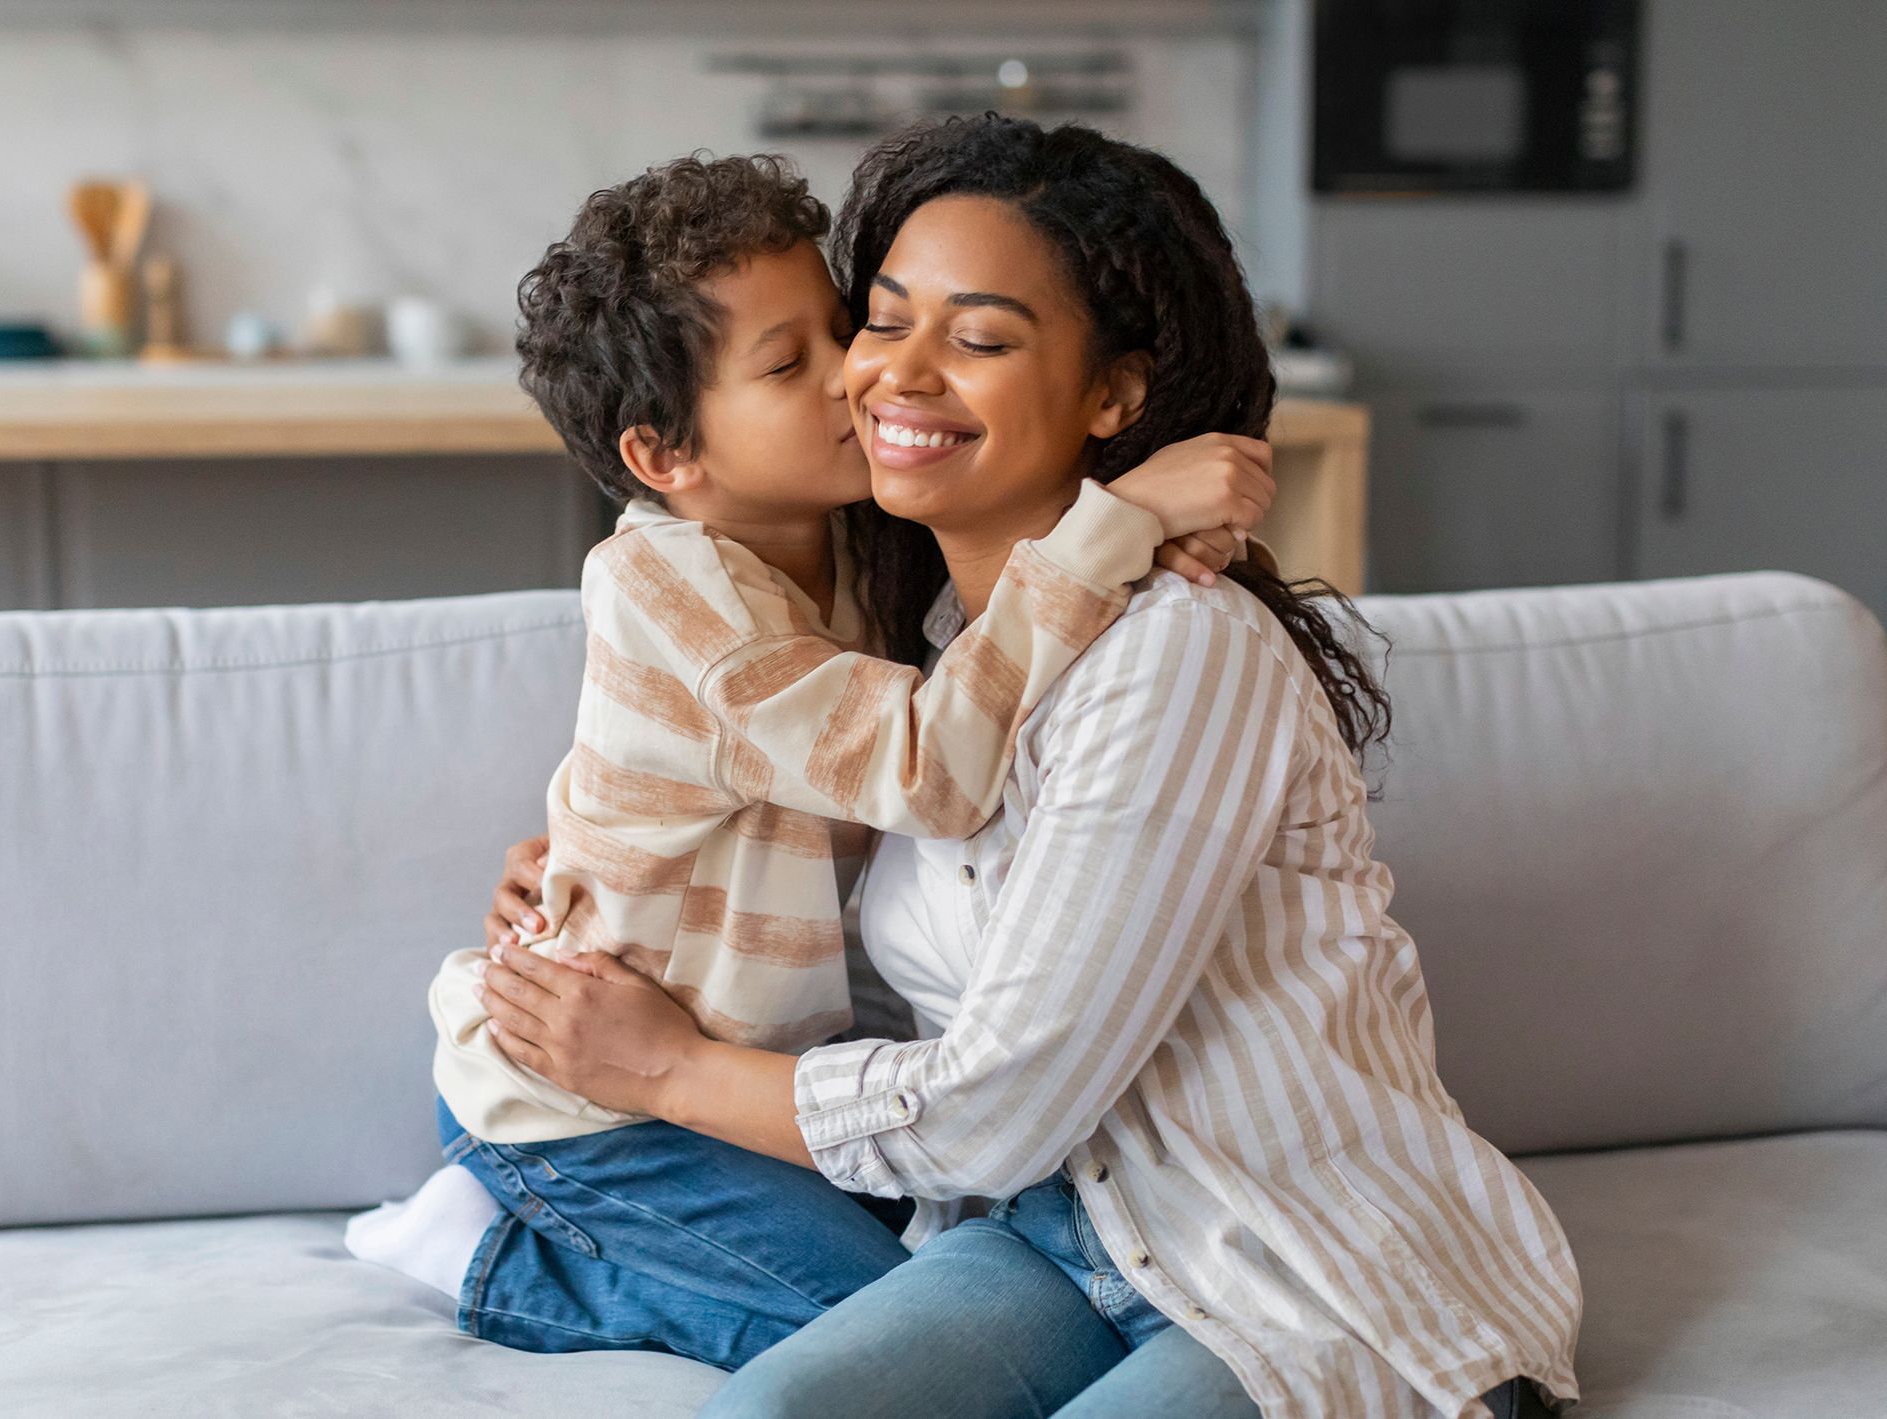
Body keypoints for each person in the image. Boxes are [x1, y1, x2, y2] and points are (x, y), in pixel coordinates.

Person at [477, 116, 1581, 1419]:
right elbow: (881, 919)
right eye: (880, 320)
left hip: (1300, 1254)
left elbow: (996, 1102)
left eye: (982, 338)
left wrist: (659, 1066)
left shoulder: (1176, 653)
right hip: (1050, 1236)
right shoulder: (930, 652)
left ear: (1113, 395)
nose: (875, 378)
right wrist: (602, 873)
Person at [344, 150, 1277, 1370]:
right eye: (789, 365)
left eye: (841, 328)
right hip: (589, 1106)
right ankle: (485, 1251)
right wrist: (1121, 521)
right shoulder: (664, 582)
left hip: (742, 1082)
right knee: (898, 1349)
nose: (858, 374)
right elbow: (928, 766)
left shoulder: (859, 554)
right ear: (665, 458)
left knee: (974, 1301)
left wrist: (572, 847)